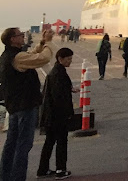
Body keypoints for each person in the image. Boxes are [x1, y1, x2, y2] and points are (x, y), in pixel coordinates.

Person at [0, 27, 55, 181]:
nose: (23, 36)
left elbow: (30, 55)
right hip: (25, 106)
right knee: (23, 145)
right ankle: (17, 177)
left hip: (14, 106)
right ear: (12, 39)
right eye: (20, 35)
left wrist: (42, 42)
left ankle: (5, 176)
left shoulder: (7, 56)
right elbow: (42, 59)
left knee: (11, 144)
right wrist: (49, 43)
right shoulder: (17, 58)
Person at [36, 48, 75, 179]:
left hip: (49, 114)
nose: (70, 61)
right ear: (60, 59)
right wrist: (68, 113)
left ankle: (43, 169)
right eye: (68, 59)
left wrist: (69, 89)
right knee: (62, 142)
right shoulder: (59, 73)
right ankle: (60, 169)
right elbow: (59, 96)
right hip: (58, 115)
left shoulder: (55, 72)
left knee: (49, 142)